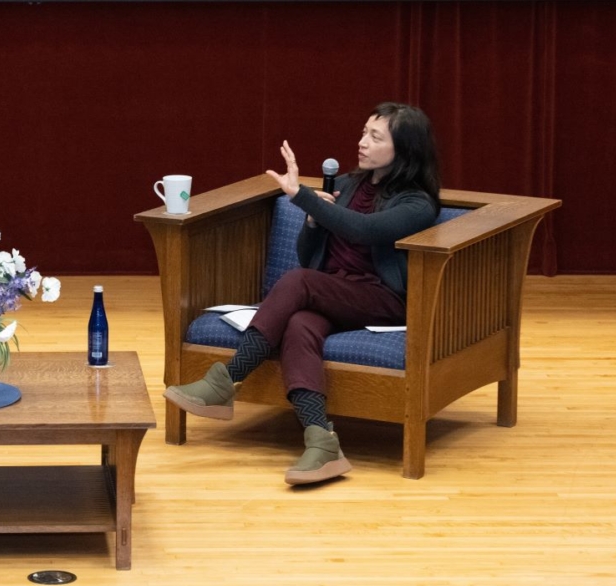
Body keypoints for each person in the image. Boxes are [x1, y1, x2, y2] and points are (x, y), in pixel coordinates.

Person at [164, 102, 441, 486]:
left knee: (298, 281)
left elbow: (364, 230)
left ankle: (227, 380)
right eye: (363, 132)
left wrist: (303, 198)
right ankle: (322, 441)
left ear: (404, 149)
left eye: (375, 137)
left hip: (381, 300)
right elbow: (309, 256)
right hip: (333, 292)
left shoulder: (417, 203)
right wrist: (312, 221)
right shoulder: (347, 185)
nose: (361, 143)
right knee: (299, 324)